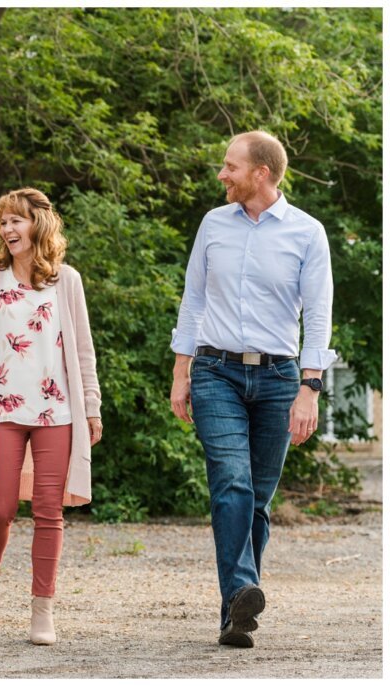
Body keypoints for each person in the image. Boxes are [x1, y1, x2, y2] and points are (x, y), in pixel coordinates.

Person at [169, 131, 336, 649]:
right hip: (215, 371)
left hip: (279, 378)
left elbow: (320, 315)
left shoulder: (307, 233)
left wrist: (310, 388)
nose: (223, 175)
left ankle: (234, 615)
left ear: (260, 173)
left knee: (257, 500)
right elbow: (193, 299)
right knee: (232, 485)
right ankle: (244, 586)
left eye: (230, 167)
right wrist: (182, 371)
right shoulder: (213, 225)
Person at [0, 187, 102, 645]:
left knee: (50, 511)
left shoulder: (66, 281)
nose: (8, 229)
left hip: (57, 411)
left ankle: (42, 610)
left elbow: (84, 352)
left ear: (39, 224)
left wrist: (90, 406)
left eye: (16, 220)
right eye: (3, 222)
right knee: (0, 509)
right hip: (1, 408)